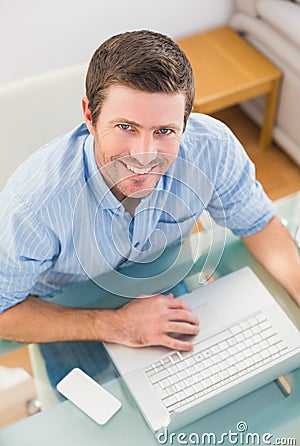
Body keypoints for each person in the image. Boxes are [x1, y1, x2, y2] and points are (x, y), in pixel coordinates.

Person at [0, 30, 299, 388]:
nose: (144, 154)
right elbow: (4, 310)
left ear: (185, 124)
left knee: (226, 393)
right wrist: (116, 325)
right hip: (70, 311)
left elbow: (258, 221)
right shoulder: (32, 204)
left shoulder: (212, 148)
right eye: (126, 127)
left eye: (165, 131)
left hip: (162, 283)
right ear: (90, 116)